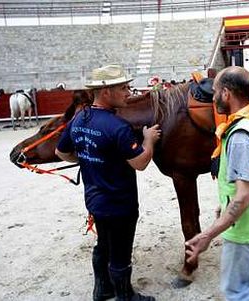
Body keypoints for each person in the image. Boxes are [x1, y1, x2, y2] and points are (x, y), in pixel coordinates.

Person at [55, 65, 161, 301]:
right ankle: (125, 296)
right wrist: (148, 140)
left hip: (94, 199)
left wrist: (87, 158)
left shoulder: (80, 117)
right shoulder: (118, 127)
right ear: (105, 92)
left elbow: (61, 152)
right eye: (123, 88)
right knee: (121, 251)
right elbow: (140, 163)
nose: (128, 92)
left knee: (103, 243)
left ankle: (102, 289)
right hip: (119, 202)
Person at [185, 66, 249, 301]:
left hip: (244, 228)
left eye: (215, 92)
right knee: (247, 284)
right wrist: (224, 203)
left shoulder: (240, 136)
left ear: (226, 93)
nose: (213, 97)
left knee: (237, 291)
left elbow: (244, 196)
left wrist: (207, 235)